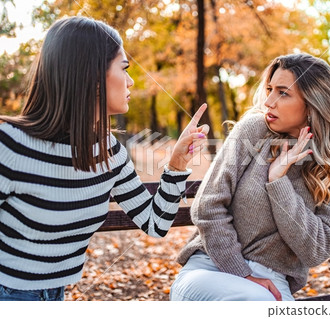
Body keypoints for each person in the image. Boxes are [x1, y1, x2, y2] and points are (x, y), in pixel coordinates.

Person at [0, 16, 209, 301]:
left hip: (56, 294)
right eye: (124, 69)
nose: (131, 81)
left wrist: (176, 165)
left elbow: (154, 224)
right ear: (93, 76)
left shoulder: (108, 151)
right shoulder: (10, 144)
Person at [170, 53, 330, 301]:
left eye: (283, 93)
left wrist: (278, 183)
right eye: (269, 90)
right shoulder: (253, 132)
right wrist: (242, 273)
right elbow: (207, 207)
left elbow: (317, 250)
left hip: (273, 284)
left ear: (312, 104)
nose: (268, 101)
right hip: (209, 268)